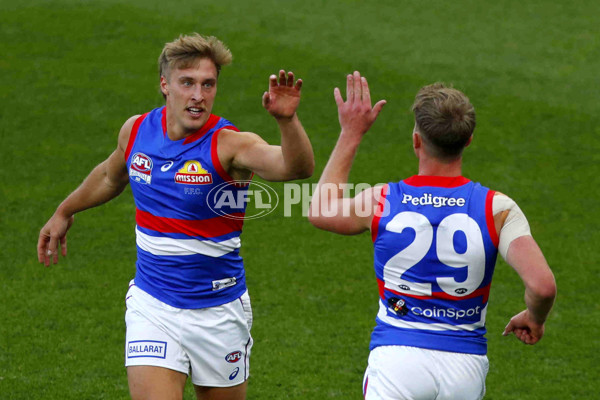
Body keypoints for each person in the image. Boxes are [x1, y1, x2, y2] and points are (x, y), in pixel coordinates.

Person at [37, 33, 314, 400]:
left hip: (219, 312)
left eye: (208, 84)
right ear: (165, 85)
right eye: (187, 83)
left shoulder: (229, 145)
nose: (198, 95)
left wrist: (287, 121)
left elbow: (296, 168)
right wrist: (65, 210)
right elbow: (109, 175)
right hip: (153, 305)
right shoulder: (136, 130)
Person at [308, 72, 556, 400]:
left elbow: (320, 210)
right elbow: (542, 286)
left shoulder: (383, 200)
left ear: (416, 141)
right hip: (464, 367)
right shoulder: (497, 208)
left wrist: (351, 133)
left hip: (397, 358)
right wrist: (534, 319)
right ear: (467, 140)